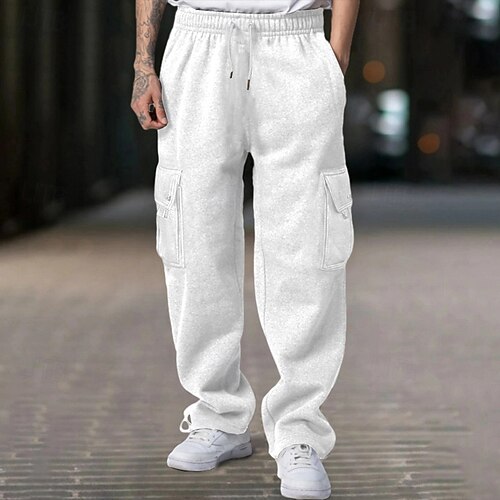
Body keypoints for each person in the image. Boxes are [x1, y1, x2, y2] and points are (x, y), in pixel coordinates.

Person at [131, 0, 359, 498]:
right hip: (198, 41)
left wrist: (335, 56)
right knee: (194, 236)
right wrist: (143, 64)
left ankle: (299, 430)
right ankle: (218, 414)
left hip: (296, 40)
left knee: (307, 245)